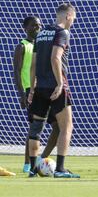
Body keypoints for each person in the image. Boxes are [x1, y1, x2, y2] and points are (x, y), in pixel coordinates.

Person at [27, 3, 79, 178]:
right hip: (56, 86)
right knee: (67, 126)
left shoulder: (41, 34)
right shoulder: (62, 32)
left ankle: (33, 170)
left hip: (40, 87)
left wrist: (32, 88)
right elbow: (55, 57)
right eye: (73, 18)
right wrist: (59, 83)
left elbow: (33, 64)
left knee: (36, 129)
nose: (73, 21)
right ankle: (60, 169)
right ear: (68, 16)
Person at [13, 16, 59, 173]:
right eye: (33, 26)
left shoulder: (43, 45)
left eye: (39, 25)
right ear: (25, 28)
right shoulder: (22, 46)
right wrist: (22, 94)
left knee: (58, 127)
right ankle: (27, 164)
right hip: (30, 90)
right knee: (35, 129)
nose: (37, 28)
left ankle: (41, 159)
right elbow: (17, 72)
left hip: (47, 89)